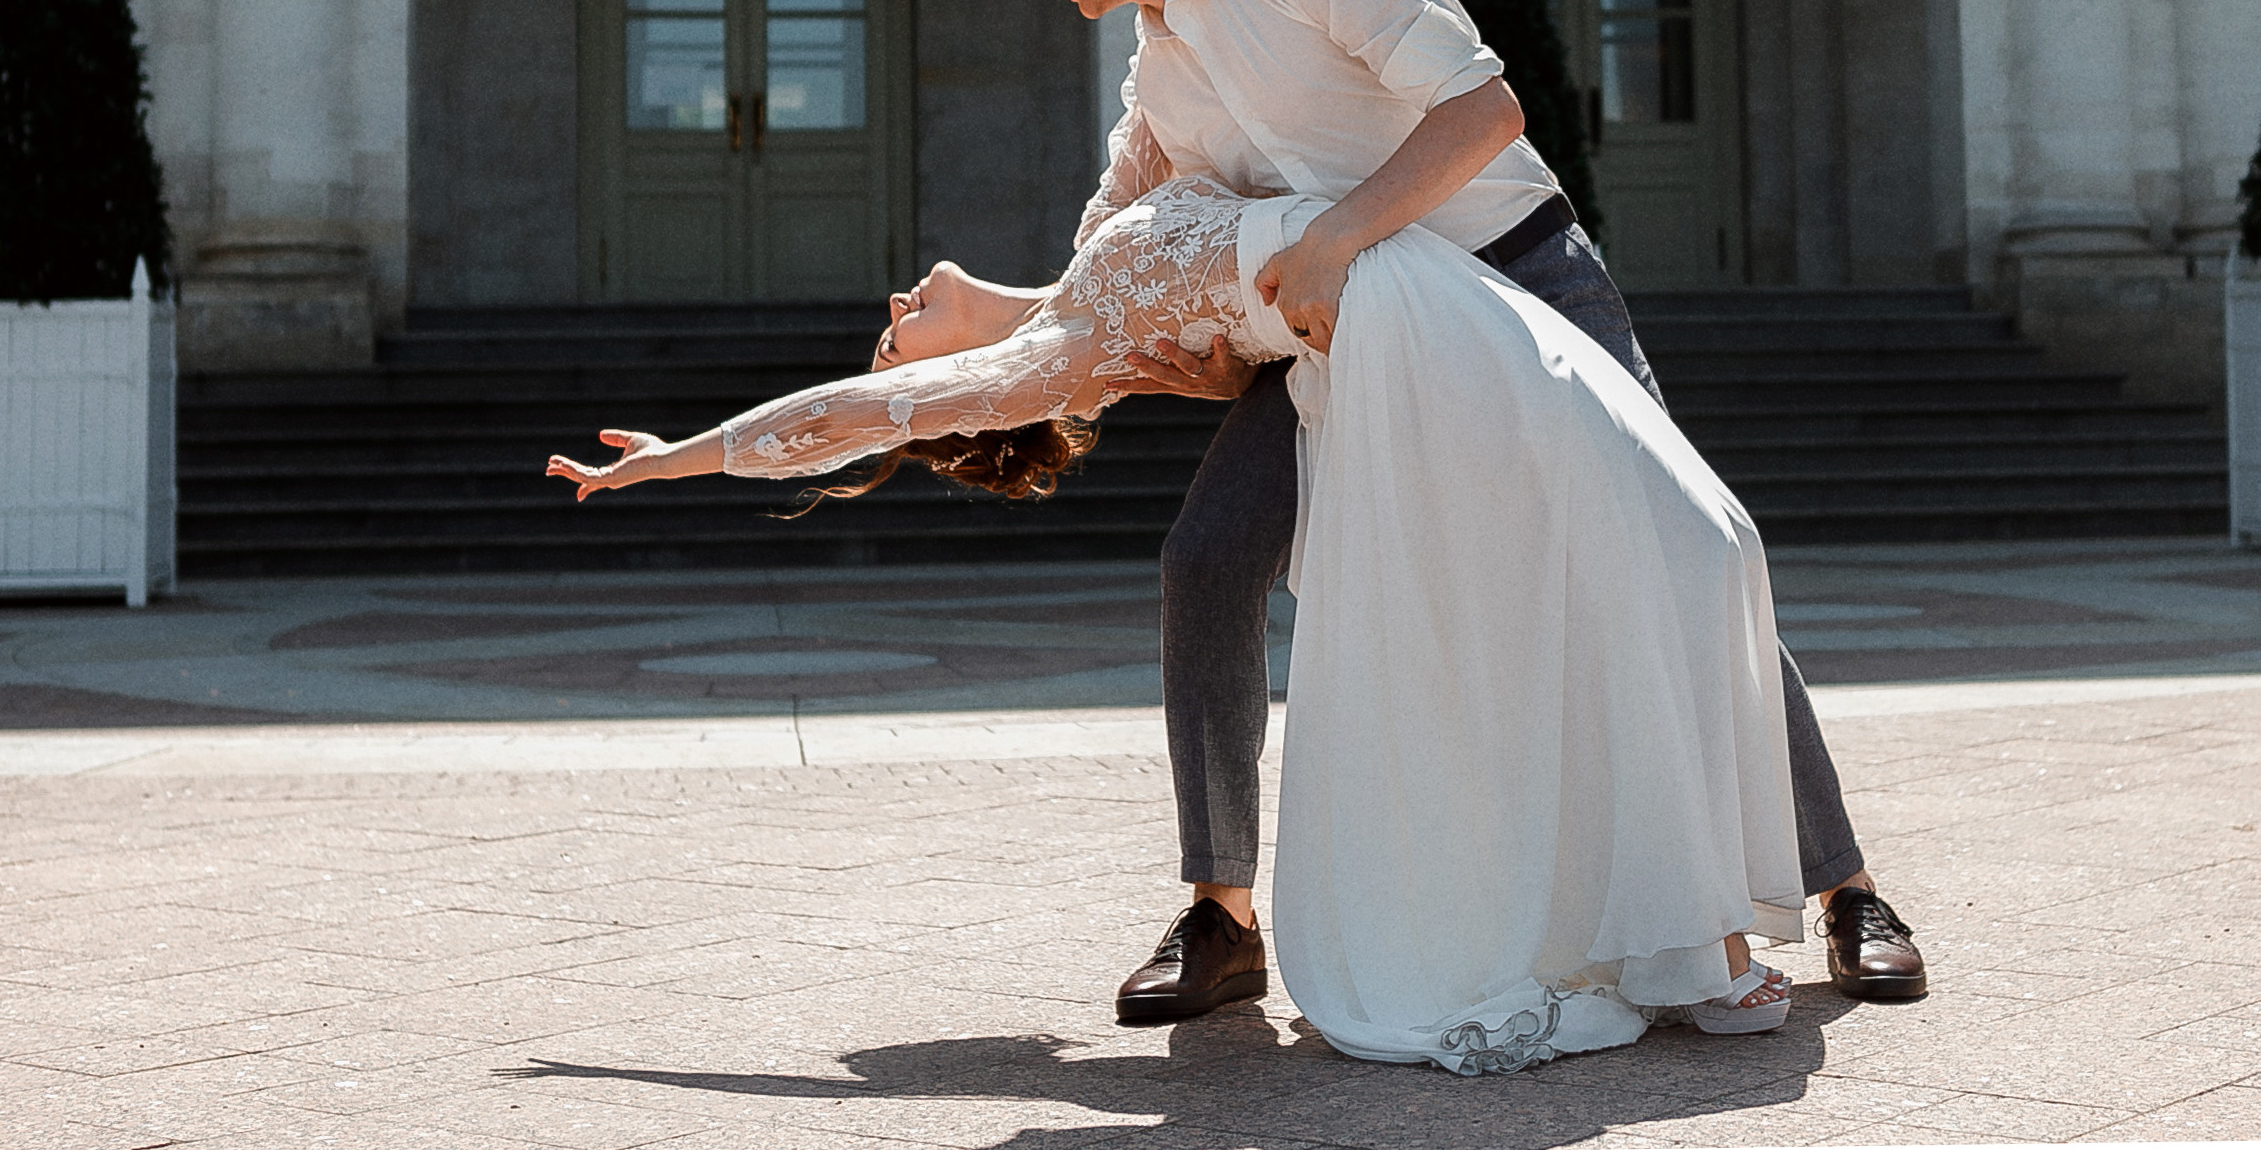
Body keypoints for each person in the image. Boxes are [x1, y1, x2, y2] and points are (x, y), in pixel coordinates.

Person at [984, 0, 1924, 1018]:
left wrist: (1327, 238)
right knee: (1205, 557)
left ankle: (1842, 885)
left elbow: (1484, 109)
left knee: (1680, 549)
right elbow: (1104, 261)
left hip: (1521, 281)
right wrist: (973, 325)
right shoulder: (1157, 81)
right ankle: (1221, 916)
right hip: (1355, 336)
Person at [549, 168, 1806, 1071]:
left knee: (1692, 549)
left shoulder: (1103, 242)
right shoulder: (1055, 354)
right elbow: (824, 419)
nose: (896, 310)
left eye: (890, 328)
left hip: (1434, 295)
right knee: (1661, 566)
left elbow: (1173, 105)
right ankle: (1683, 943)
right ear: (950, 386)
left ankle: (1681, 920)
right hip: (1400, 345)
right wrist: (664, 464)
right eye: (897, 344)